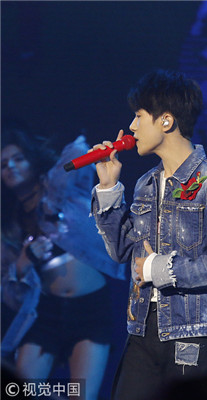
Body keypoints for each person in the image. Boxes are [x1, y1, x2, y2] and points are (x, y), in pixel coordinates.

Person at [89, 70, 207, 400]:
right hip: (142, 327)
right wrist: (107, 187)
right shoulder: (146, 183)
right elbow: (122, 251)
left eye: (138, 116)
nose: (132, 126)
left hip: (193, 331)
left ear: (166, 120)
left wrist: (160, 269)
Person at [1, 124, 125, 400]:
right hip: (44, 313)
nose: (11, 167)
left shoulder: (59, 193)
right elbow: (8, 292)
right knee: (20, 392)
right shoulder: (7, 226)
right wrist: (23, 262)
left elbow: (78, 151)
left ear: (32, 160)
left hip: (90, 310)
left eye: (18, 159)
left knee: (81, 396)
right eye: (3, 165)